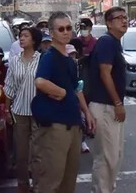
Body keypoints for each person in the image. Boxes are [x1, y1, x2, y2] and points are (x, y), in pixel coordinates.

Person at [31, 12, 96, 193]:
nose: (66, 32)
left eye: (68, 28)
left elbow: (77, 88)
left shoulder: (69, 60)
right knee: (51, 182)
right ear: (52, 33)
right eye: (61, 29)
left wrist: (87, 113)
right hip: (56, 128)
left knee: (68, 182)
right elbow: (40, 81)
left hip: (73, 126)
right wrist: (59, 92)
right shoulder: (49, 57)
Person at [87, 7, 129, 193]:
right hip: (104, 106)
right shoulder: (106, 42)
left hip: (110, 106)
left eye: (125, 17)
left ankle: (107, 189)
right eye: (118, 18)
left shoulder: (115, 43)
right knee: (106, 157)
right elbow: (105, 73)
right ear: (109, 23)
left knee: (115, 155)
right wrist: (118, 103)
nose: (124, 20)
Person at [4, 26, 42, 193]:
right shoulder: (14, 61)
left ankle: (39, 184)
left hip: (38, 113)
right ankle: (23, 186)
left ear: (34, 39)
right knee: (21, 154)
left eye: (26, 36)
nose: (21, 38)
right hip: (19, 112)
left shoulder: (42, 60)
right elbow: (9, 87)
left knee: (38, 153)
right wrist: (6, 110)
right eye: (20, 36)